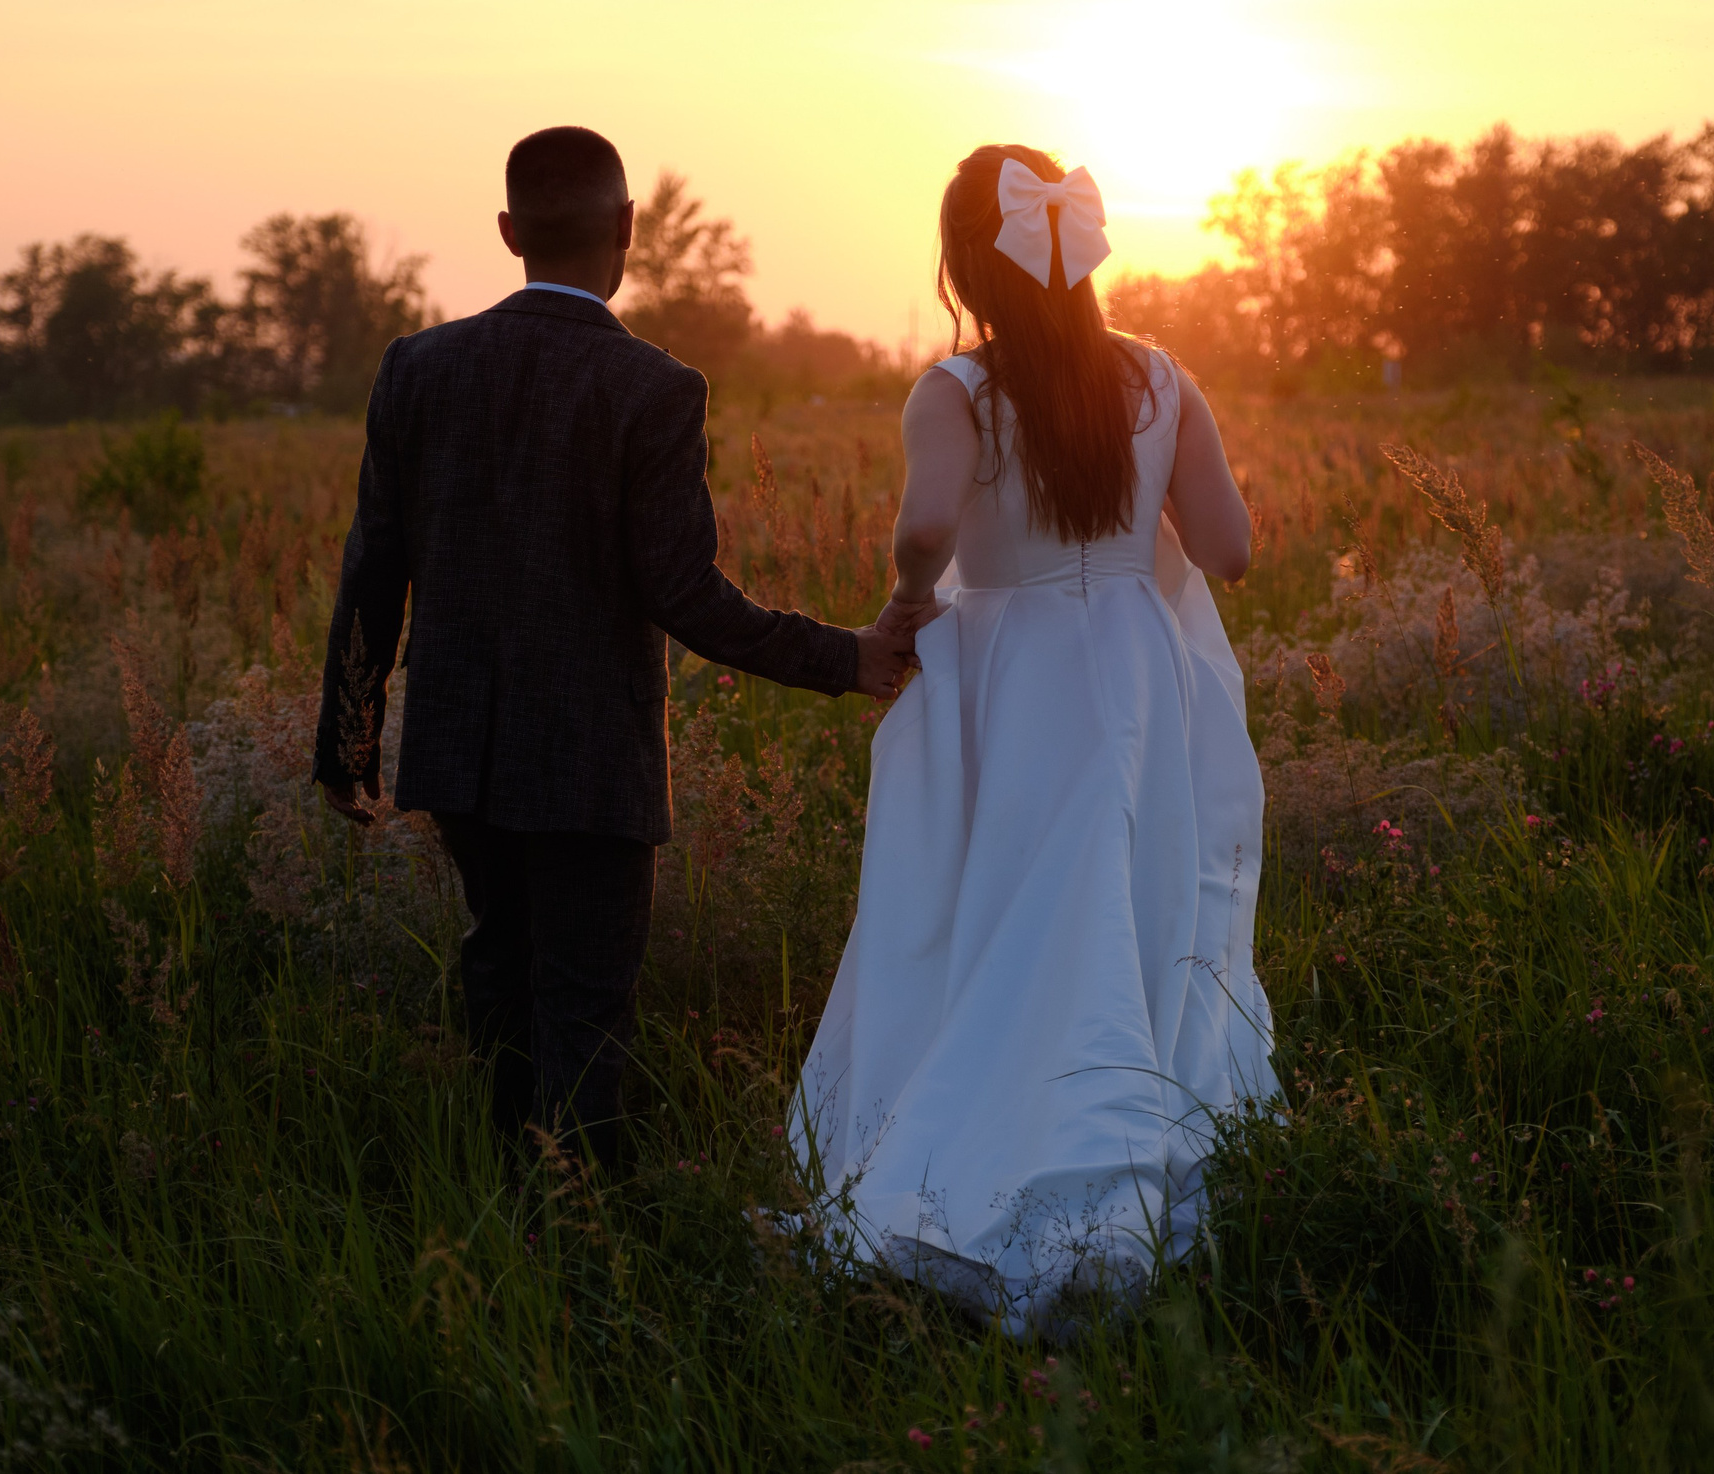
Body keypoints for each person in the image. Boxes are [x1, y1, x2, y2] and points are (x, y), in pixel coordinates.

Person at [312, 125, 916, 1174]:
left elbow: (374, 566)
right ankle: (574, 1232)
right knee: (584, 1008)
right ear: (629, 227)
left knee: (500, 972)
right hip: (590, 760)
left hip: (459, 752)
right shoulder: (654, 388)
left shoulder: (418, 367)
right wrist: (846, 657)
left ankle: (506, 1204)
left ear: (509, 232)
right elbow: (684, 593)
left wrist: (349, 743)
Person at [790, 144, 1279, 1337]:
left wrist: (908, 602)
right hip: (1140, 677)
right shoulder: (1162, 378)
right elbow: (1229, 549)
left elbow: (924, 525)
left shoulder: (956, 388)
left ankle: (1014, 1155)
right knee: (1130, 902)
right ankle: (1133, 1138)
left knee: (1011, 913)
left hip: (1012, 677)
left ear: (964, 263)